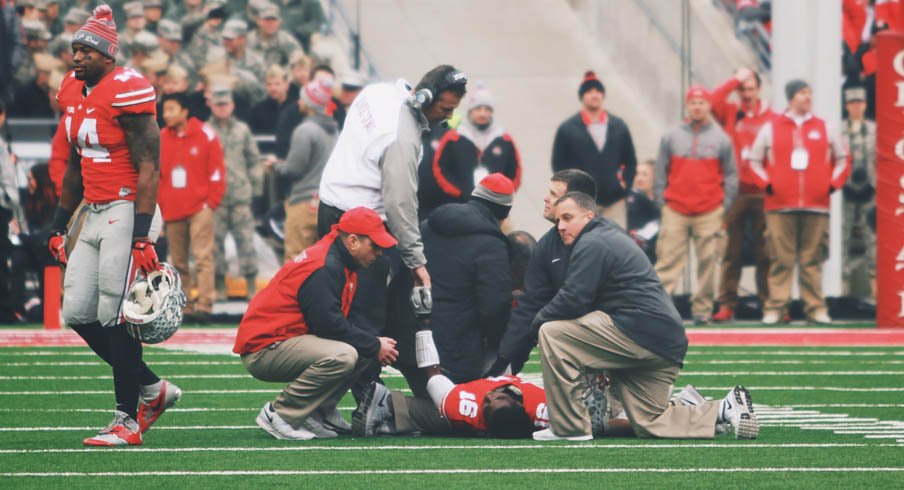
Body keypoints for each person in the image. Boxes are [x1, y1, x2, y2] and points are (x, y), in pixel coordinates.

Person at [48, 5, 181, 446]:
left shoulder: (128, 89)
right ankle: (152, 388)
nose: (78, 56)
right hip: (94, 206)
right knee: (79, 313)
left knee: (114, 315)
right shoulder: (73, 92)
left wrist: (143, 234)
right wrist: (58, 223)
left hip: (127, 208)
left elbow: (149, 166)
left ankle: (126, 419)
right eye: (75, 49)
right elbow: (73, 165)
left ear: (109, 55)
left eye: (87, 50)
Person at [531, 192, 758, 441]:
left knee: (553, 333)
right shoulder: (607, 233)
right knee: (650, 422)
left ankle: (569, 428)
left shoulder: (592, 242)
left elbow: (573, 299)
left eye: (567, 218)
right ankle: (720, 409)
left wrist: (533, 327)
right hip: (664, 343)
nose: (561, 226)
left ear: (589, 215)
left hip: (638, 331)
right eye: (557, 221)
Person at [317, 64, 467, 400]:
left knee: (334, 307)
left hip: (333, 205)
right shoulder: (400, 135)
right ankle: (366, 396)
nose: (446, 118)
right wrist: (416, 260)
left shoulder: (380, 91)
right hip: (360, 224)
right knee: (364, 314)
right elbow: (399, 202)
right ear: (424, 98)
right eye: (444, 109)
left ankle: (332, 396)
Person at [233, 207, 400, 440]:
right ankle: (281, 413)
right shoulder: (325, 266)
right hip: (264, 348)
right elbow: (328, 325)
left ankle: (318, 413)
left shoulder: (337, 258)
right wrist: (374, 344)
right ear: (352, 241)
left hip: (281, 340)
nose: (379, 253)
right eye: (375, 246)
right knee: (346, 354)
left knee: (362, 348)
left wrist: (371, 345)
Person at [389, 174, 515, 387]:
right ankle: (394, 408)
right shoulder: (492, 245)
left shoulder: (428, 225)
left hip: (407, 337)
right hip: (452, 350)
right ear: (502, 215)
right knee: (451, 413)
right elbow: (494, 308)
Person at [748, 80, 850, 325]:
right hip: (779, 206)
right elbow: (754, 160)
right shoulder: (771, 127)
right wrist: (767, 185)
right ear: (791, 97)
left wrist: (831, 185)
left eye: (809, 93)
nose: (808, 97)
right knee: (779, 260)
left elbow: (843, 159)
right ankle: (776, 308)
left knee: (811, 261)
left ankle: (815, 308)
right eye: (803, 93)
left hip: (816, 205)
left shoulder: (825, 127)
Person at [485, 169, 597, 376]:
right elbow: (530, 304)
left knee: (550, 329)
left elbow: (579, 299)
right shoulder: (548, 244)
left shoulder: (602, 240)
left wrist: (541, 320)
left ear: (577, 202)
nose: (546, 198)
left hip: (627, 335)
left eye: (554, 194)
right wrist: (504, 364)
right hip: (586, 334)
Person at [653, 86, 738, 325]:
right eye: (693, 102)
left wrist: (724, 205)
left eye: (702, 102)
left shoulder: (722, 139)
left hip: (710, 210)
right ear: (687, 106)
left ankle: (702, 311)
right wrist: (663, 203)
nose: (698, 107)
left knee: (709, 263)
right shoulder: (671, 136)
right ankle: (659, 311)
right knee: (667, 262)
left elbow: (731, 175)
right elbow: (660, 172)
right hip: (675, 209)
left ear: (708, 105)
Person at [709, 68, 774, 322]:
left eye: (750, 88)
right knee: (730, 251)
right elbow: (713, 99)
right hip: (734, 190)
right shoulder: (730, 112)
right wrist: (734, 79)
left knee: (766, 250)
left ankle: (771, 303)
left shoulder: (771, 117)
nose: (746, 94)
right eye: (742, 89)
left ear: (758, 89)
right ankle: (727, 304)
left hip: (762, 191)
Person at [158, 92, 226, 323]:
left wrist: (211, 203)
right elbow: (158, 175)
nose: (166, 115)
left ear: (184, 111)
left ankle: (205, 305)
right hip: (173, 208)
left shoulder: (206, 134)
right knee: (178, 261)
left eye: (171, 110)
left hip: (200, 208)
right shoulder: (161, 137)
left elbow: (216, 171)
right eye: (164, 110)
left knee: (203, 257)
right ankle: (183, 306)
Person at [552, 70, 638, 229]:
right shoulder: (568, 129)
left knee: (616, 245)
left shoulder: (619, 126)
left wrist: (624, 185)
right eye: (589, 91)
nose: (594, 95)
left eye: (598, 91)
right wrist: (572, 192)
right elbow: (559, 165)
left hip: (614, 202)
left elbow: (630, 160)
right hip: (582, 204)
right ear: (582, 96)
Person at [268, 78, 338, 262]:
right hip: (325, 204)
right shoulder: (334, 130)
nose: (298, 102)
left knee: (295, 260)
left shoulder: (305, 130)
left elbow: (293, 169)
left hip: (302, 203)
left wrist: (275, 165)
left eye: (302, 99)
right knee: (319, 261)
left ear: (310, 103)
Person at [207, 86, 262, 301]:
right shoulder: (205, 130)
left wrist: (254, 188)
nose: (222, 108)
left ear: (232, 105)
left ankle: (250, 285)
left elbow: (253, 160)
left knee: (246, 241)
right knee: (216, 244)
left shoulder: (242, 130)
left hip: (240, 196)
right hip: (216, 198)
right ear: (211, 105)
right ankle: (220, 285)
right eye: (218, 104)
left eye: (225, 104)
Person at [840, 86, 876, 300]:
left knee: (872, 239)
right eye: (852, 103)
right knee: (843, 237)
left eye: (859, 103)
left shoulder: (874, 129)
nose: (856, 107)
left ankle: (875, 288)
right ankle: (843, 287)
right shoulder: (840, 130)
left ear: (865, 105)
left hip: (869, 189)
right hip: (847, 189)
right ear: (846, 106)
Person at [456, 82, 522, 191]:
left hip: (494, 200)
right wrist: (456, 193)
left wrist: (505, 194)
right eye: (478, 109)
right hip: (461, 202)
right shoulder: (456, 137)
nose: (483, 114)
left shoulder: (503, 139)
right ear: (470, 111)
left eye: (487, 109)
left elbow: (515, 172)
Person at [247, 3, 302, 69]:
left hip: (279, 77)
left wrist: (283, 74)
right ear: (258, 21)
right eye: (267, 20)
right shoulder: (248, 40)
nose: (270, 24)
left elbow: (298, 59)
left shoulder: (286, 39)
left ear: (279, 22)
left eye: (274, 20)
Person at [626, 160, 660, 263]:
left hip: (653, 256)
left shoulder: (662, 204)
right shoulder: (629, 199)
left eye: (644, 175)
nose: (639, 178)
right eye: (637, 174)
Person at [249, 64, 293, 134]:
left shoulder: (295, 108)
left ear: (286, 85)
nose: (273, 88)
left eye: (277, 84)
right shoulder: (257, 110)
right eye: (269, 84)